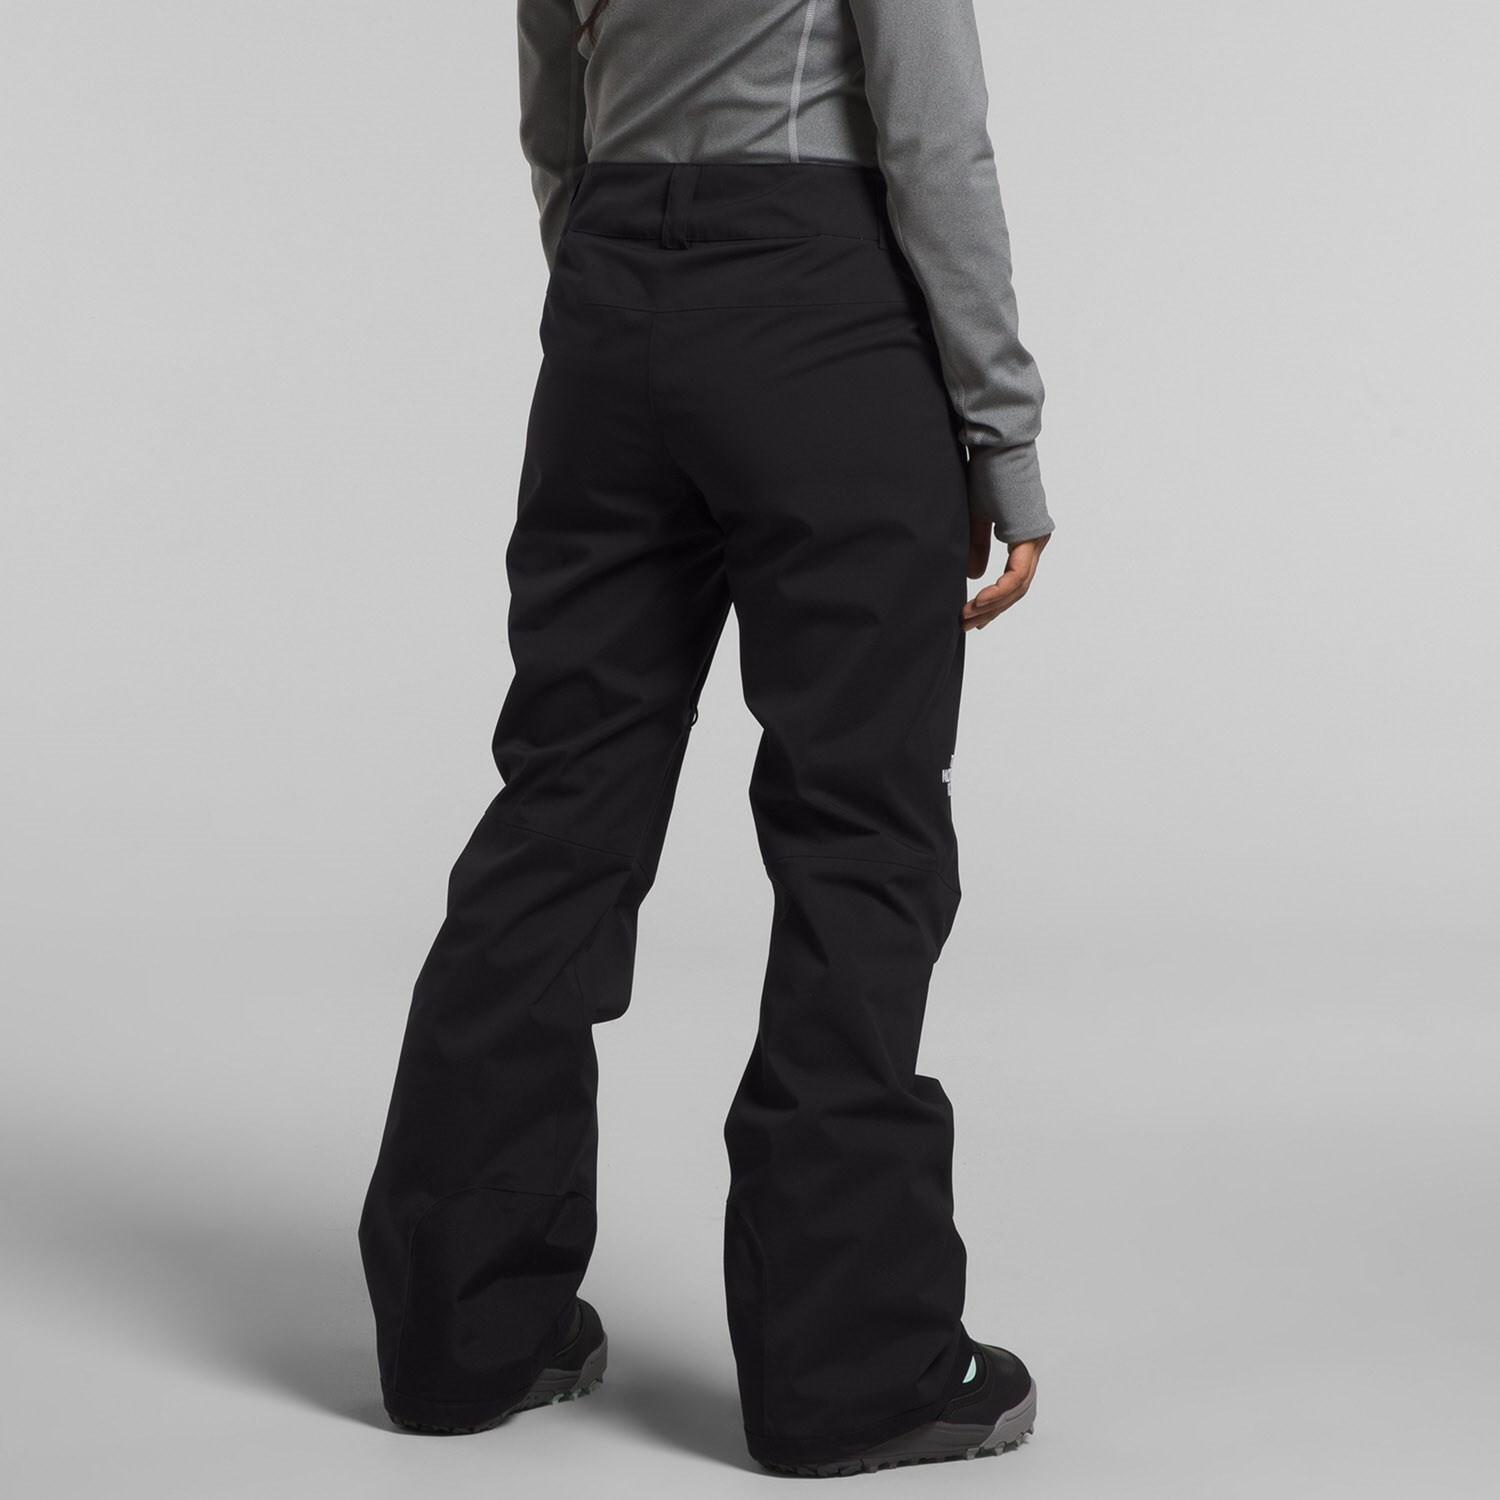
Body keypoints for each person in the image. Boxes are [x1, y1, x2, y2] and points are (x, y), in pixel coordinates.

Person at [358, 0, 1052, 1477]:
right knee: (857, 827)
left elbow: (554, 114)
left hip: (611, 310)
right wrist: (1001, 431)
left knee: (562, 805)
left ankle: (460, 1333)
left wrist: (623, 293)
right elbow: (932, 135)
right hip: (819, 311)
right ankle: (851, 1374)